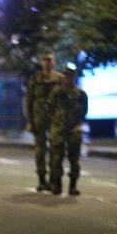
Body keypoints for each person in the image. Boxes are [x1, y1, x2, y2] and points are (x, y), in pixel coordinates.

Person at [25, 51, 64, 192]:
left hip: (55, 119)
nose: (48, 62)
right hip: (39, 118)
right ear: (41, 62)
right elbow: (29, 101)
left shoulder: (60, 79)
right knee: (40, 151)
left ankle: (54, 180)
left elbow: (64, 100)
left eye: (50, 60)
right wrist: (29, 121)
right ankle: (42, 179)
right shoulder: (35, 79)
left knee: (56, 150)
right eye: (45, 60)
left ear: (54, 62)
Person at [48, 68, 89, 196]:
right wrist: (55, 121)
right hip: (58, 129)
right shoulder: (57, 92)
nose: (67, 80)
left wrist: (78, 123)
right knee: (57, 158)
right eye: (65, 77)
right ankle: (57, 185)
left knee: (74, 159)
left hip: (74, 129)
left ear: (74, 78)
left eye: (69, 77)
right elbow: (49, 108)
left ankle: (73, 186)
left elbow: (84, 111)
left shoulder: (81, 94)